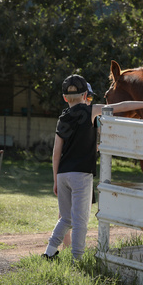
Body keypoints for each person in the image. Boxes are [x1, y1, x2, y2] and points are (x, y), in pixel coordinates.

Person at [42, 74, 143, 261]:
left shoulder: (62, 119)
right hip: (81, 175)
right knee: (80, 221)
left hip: (62, 175)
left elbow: (56, 153)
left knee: (66, 218)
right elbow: (121, 107)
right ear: (86, 95)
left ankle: (49, 251)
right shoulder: (91, 111)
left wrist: (55, 179)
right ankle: (77, 258)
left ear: (64, 98)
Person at [60, 82, 95, 249]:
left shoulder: (88, 116)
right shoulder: (71, 117)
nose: (88, 100)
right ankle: (70, 248)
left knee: (73, 211)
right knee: (71, 212)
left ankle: (71, 246)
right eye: (87, 97)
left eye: (91, 98)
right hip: (75, 169)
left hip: (75, 169)